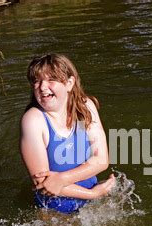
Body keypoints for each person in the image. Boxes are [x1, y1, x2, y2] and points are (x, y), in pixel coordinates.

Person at [20, 53, 115, 214]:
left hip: (93, 207)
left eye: (51, 80)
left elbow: (101, 160)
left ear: (69, 83)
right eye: (37, 81)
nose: (42, 87)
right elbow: (44, 184)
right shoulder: (33, 120)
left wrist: (62, 179)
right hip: (54, 212)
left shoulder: (85, 107)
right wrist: (92, 194)